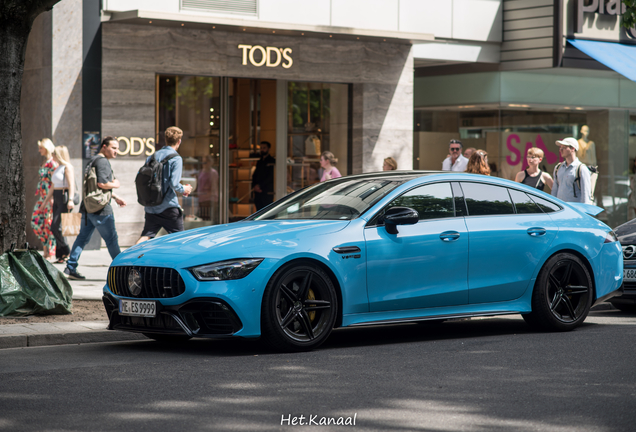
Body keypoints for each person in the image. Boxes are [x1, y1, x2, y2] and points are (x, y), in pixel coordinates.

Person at [64, 137, 127, 280]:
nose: (116, 151)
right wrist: (116, 184)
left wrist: (115, 197)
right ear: (104, 147)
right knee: (111, 240)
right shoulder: (103, 162)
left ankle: (70, 267)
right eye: (114, 148)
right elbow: (102, 184)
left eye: (117, 148)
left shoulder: (93, 160)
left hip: (88, 208)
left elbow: (95, 187)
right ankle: (123, 270)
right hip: (101, 210)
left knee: (82, 239)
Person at [136, 126, 192, 244]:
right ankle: (180, 261)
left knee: (146, 236)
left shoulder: (152, 157)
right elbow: (174, 183)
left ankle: (131, 259)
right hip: (168, 207)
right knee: (180, 239)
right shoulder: (176, 158)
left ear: (165, 140)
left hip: (151, 206)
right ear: (179, 141)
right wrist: (185, 188)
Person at [40, 145, 75, 263]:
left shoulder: (67, 167)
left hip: (64, 197)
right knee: (55, 227)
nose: (52, 155)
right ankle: (61, 255)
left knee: (56, 226)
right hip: (56, 197)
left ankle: (66, 251)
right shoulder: (58, 167)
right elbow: (53, 186)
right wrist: (45, 202)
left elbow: (71, 185)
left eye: (54, 153)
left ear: (59, 154)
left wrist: (70, 199)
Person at [32, 138, 58, 260]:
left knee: (48, 225)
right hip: (42, 197)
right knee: (36, 222)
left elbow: (54, 182)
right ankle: (45, 248)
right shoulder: (45, 162)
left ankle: (49, 252)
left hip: (49, 197)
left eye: (41, 148)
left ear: (47, 148)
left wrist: (51, 198)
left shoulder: (53, 163)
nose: (39, 150)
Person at [551, 137, 592, 204]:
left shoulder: (582, 169)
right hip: (560, 210)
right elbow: (554, 191)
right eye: (560, 148)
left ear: (573, 149)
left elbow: (586, 195)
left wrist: (583, 212)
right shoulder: (558, 168)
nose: (560, 150)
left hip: (574, 211)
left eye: (564, 147)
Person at [251, 141, 276, 210]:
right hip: (258, 193)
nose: (262, 150)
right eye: (261, 148)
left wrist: (259, 186)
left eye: (264, 148)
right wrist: (254, 186)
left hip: (266, 191)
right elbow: (255, 175)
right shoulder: (259, 162)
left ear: (269, 149)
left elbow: (271, 176)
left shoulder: (272, 161)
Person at [197, 155, 219, 221]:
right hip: (201, 199)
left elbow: (213, 187)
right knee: (202, 218)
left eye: (205, 162)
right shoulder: (201, 171)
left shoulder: (213, 173)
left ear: (209, 162)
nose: (204, 164)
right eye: (203, 162)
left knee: (209, 219)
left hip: (209, 199)